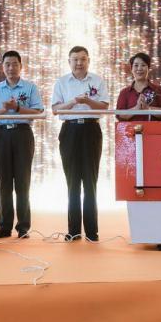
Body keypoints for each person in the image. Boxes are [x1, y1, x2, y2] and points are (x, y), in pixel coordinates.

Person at [51, 46, 109, 242]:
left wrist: (89, 102)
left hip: (91, 130)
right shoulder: (61, 82)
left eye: (83, 59)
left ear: (88, 61)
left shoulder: (97, 80)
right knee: (72, 182)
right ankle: (73, 230)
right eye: (75, 59)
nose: (79, 63)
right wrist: (74, 101)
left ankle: (92, 232)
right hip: (70, 131)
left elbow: (104, 107)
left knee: (90, 182)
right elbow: (55, 109)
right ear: (69, 62)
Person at [0, 51, 43, 239]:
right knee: (4, 181)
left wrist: (17, 108)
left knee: (22, 181)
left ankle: (23, 227)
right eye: (7, 64)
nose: (11, 68)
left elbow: (38, 112)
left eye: (15, 64)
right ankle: (4, 226)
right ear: (2, 67)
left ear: (21, 66)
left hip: (22, 133)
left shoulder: (30, 87)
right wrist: (4, 109)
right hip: (1, 134)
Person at [116, 52, 161, 122]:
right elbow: (120, 115)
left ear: (148, 68)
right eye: (136, 65)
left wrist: (147, 108)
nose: (139, 68)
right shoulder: (124, 92)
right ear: (131, 69)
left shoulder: (158, 89)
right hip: (131, 129)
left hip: (153, 128)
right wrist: (136, 108)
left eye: (143, 65)